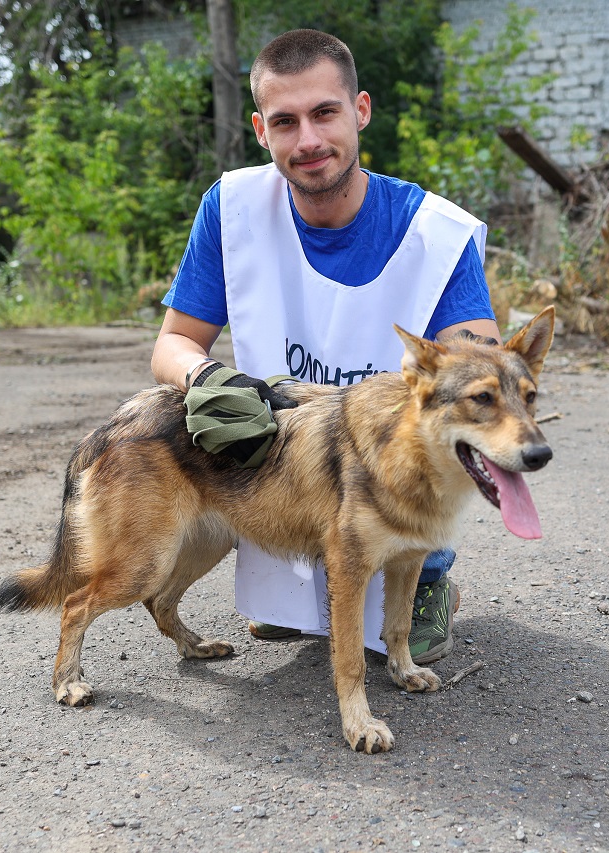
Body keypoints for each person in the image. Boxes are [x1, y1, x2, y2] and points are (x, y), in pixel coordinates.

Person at [150, 28, 501, 665]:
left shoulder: (435, 235)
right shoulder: (232, 207)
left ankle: (425, 583)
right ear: (261, 129)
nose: (308, 141)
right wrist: (205, 378)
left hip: (391, 505)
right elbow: (174, 341)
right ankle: (285, 586)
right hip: (286, 502)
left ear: (360, 110)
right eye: (285, 121)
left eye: (325, 113)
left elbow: (482, 372)